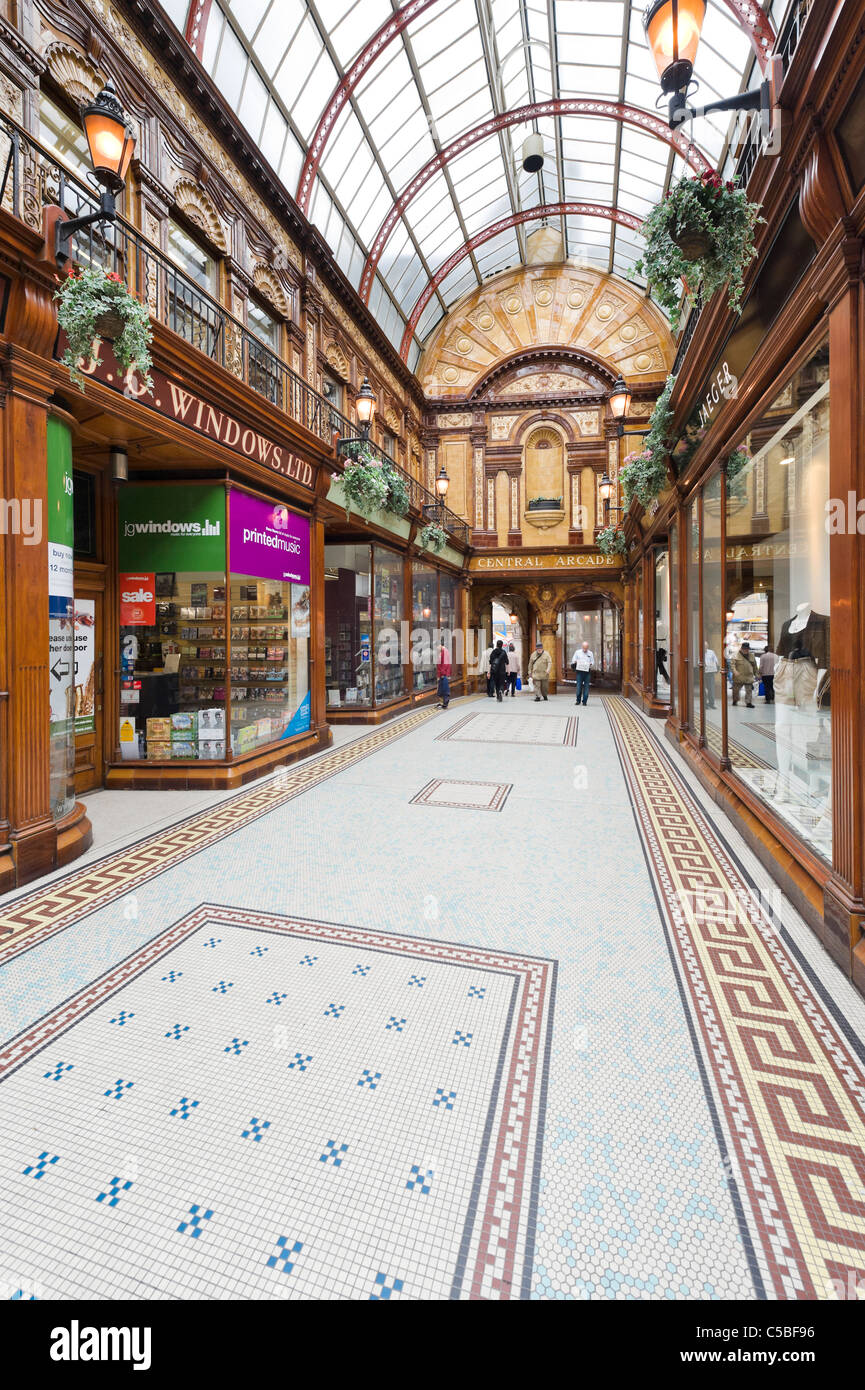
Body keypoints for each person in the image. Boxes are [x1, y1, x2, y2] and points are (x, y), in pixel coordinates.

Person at [731, 640, 758, 708]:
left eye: (747, 649)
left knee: (749, 690)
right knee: (736, 691)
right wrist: (734, 671)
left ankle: (748, 702)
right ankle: (735, 700)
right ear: (741, 648)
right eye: (744, 649)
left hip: (748, 676)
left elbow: (754, 666)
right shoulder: (735, 655)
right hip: (739, 677)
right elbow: (732, 665)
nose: (746, 650)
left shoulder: (751, 656)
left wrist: (757, 674)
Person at [571, 640, 594, 706]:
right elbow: (573, 660)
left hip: (587, 672)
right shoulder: (577, 652)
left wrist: (590, 663)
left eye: (586, 648)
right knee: (579, 687)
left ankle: (584, 701)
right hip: (579, 672)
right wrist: (575, 662)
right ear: (582, 647)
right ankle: (578, 700)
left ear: (588, 647)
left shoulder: (590, 653)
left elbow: (593, 662)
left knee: (586, 687)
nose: (585, 649)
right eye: (584, 648)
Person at [435, 640, 451, 710]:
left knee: (444, 689)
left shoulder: (445, 651)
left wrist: (442, 673)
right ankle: (442, 703)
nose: (437, 648)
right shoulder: (442, 651)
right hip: (441, 674)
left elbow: (445, 664)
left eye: (437, 647)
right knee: (441, 689)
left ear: (440, 645)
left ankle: (445, 704)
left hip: (443, 674)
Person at [703, 643, 719, 709]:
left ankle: (711, 704)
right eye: (704, 646)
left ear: (708, 646)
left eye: (706, 646)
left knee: (711, 689)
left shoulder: (711, 652)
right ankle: (705, 704)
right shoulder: (700, 653)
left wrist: (715, 666)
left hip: (711, 672)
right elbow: (699, 662)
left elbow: (716, 660)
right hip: (704, 673)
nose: (705, 647)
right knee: (704, 689)